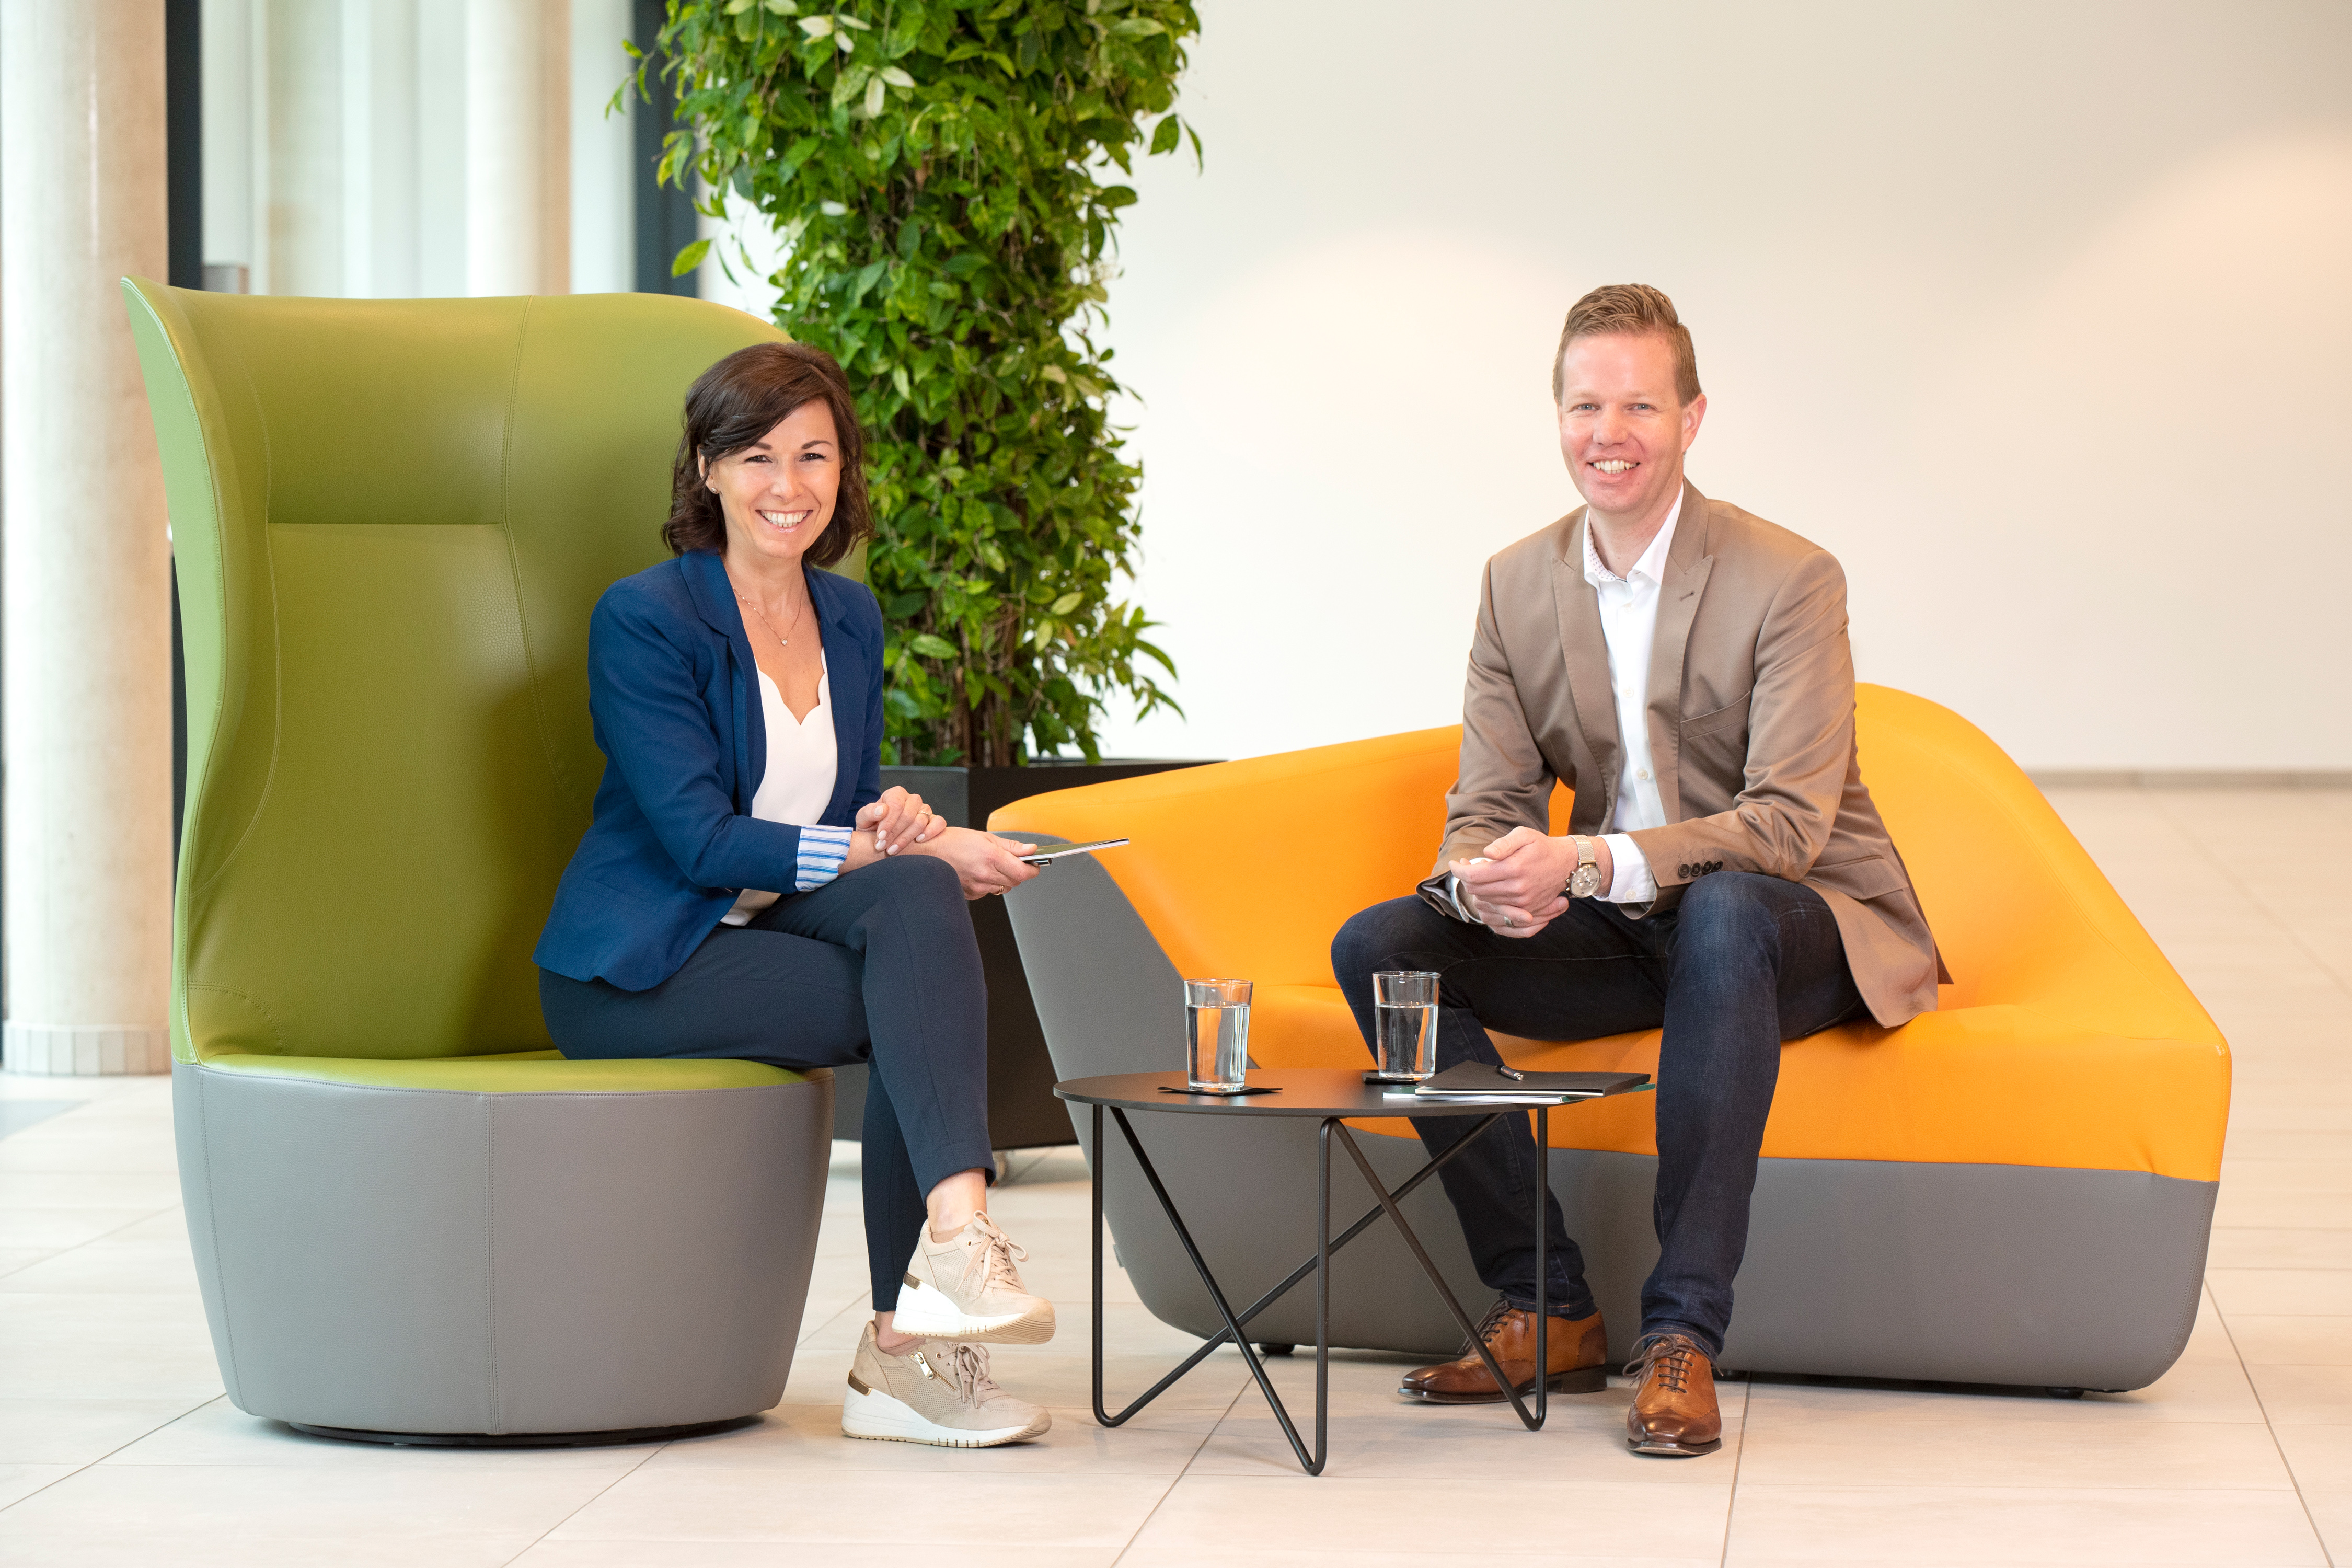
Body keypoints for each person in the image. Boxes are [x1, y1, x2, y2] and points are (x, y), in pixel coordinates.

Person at [1330, 285, 1943, 1457]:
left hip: (1803, 921)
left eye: (1639, 406)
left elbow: (1788, 827)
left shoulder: (1790, 577)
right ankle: (1545, 1302)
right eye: (1584, 404)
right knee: (1386, 946)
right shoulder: (1517, 583)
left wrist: (1590, 860)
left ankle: (1683, 1336)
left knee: (1721, 914)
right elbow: (1489, 802)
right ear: (1557, 416)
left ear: (1693, 418)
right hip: (1634, 928)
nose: (1608, 431)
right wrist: (1485, 881)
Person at [533, 341, 1058, 1450]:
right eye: (758, 456)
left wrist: (893, 828)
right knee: (910, 987)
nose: (789, 485)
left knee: (917, 899)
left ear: (844, 470)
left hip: (771, 931)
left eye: (814, 455)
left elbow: (843, 805)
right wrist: (884, 853)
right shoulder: (646, 618)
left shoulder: (850, 619)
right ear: (708, 471)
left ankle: (949, 1253)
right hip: (641, 968)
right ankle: (908, 1347)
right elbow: (699, 840)